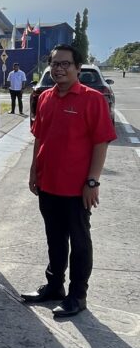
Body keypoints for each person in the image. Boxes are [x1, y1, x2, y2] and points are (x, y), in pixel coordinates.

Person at [22, 44, 116, 317]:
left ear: (77, 68)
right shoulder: (45, 97)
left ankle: (77, 295)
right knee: (54, 238)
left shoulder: (92, 99)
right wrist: (34, 172)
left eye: (66, 64)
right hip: (48, 184)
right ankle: (54, 286)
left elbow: (101, 142)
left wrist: (92, 182)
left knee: (80, 242)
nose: (59, 69)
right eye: (55, 64)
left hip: (77, 189)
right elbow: (39, 137)